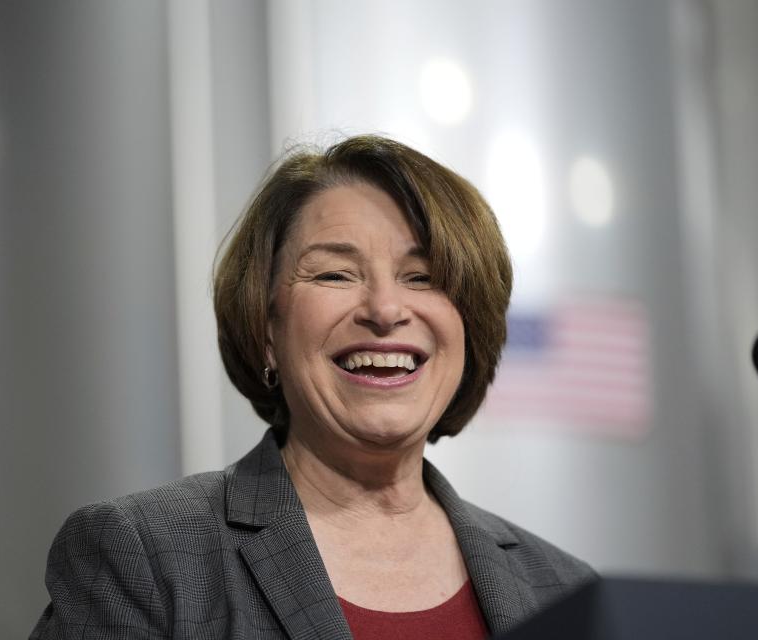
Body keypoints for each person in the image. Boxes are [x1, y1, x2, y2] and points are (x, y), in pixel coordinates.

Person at [30, 135, 595, 639]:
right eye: (334, 274)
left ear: (470, 327)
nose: (384, 309)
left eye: (422, 278)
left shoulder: (565, 590)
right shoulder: (144, 557)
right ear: (267, 328)